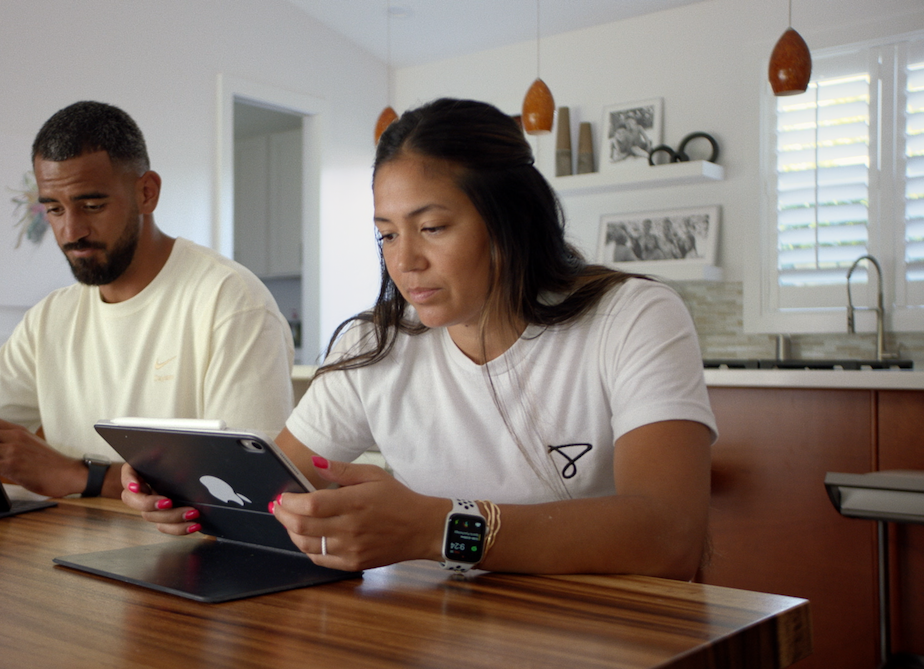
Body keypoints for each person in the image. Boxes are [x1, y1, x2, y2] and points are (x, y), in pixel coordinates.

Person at [128, 98, 715, 581]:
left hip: (605, 634)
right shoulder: (374, 345)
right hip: (438, 632)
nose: (404, 261)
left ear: (511, 220)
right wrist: (195, 497)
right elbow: (281, 491)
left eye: (432, 228)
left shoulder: (633, 317)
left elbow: (669, 539)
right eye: (386, 234)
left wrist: (434, 528)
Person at [0, 101, 295, 504]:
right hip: (60, 553)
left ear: (146, 193)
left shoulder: (232, 300)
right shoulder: (50, 319)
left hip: (189, 558)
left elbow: (248, 488)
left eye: (92, 205)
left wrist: (77, 475)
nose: (71, 231)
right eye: (54, 208)